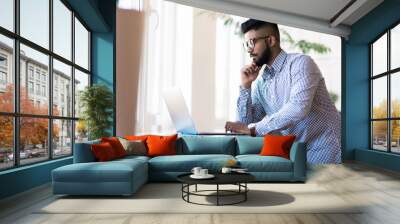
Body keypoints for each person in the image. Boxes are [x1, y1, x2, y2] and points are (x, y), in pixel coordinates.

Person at [225, 19, 341, 164]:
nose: (249, 49)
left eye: (252, 43)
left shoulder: (301, 64)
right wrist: (246, 87)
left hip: (325, 150)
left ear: (271, 40)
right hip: (294, 155)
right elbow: (245, 125)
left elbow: (298, 108)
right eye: (246, 44)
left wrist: (254, 129)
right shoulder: (262, 83)